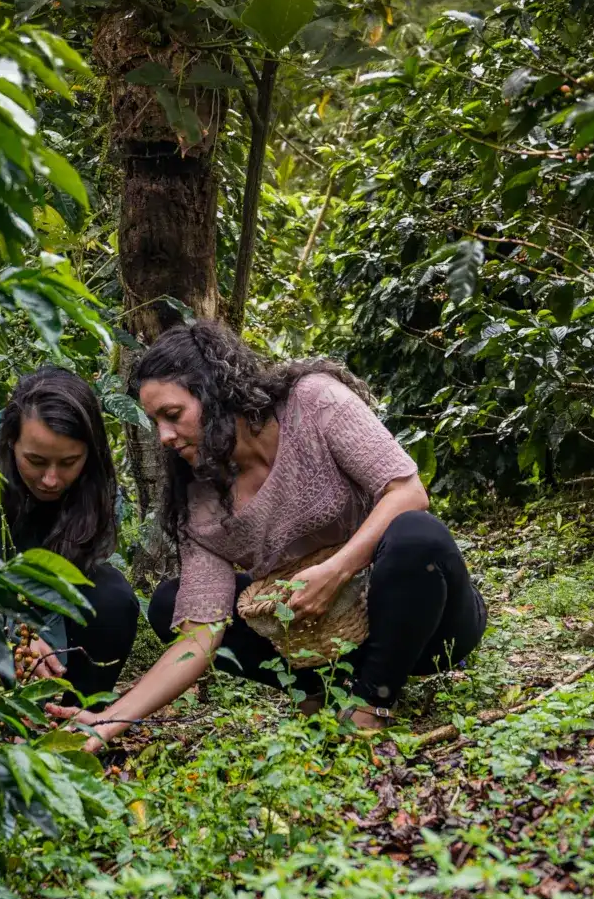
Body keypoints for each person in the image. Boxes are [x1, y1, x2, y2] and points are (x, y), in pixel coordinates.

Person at [47, 321, 486, 748]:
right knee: (169, 605)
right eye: (155, 421)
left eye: (173, 414)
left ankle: (372, 701)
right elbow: (202, 633)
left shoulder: (313, 402)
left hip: (423, 626)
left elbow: (408, 491)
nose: (163, 436)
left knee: (416, 534)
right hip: (322, 641)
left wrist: (335, 571)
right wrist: (110, 719)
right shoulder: (198, 497)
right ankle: (322, 688)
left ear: (215, 391)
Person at [0, 367, 140, 703]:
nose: (51, 480)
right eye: (36, 461)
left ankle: (75, 717)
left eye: (68, 462)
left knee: (111, 597)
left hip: (46, 605)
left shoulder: (96, 482)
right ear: (11, 440)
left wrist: (36, 636)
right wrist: (10, 637)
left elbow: (75, 571)